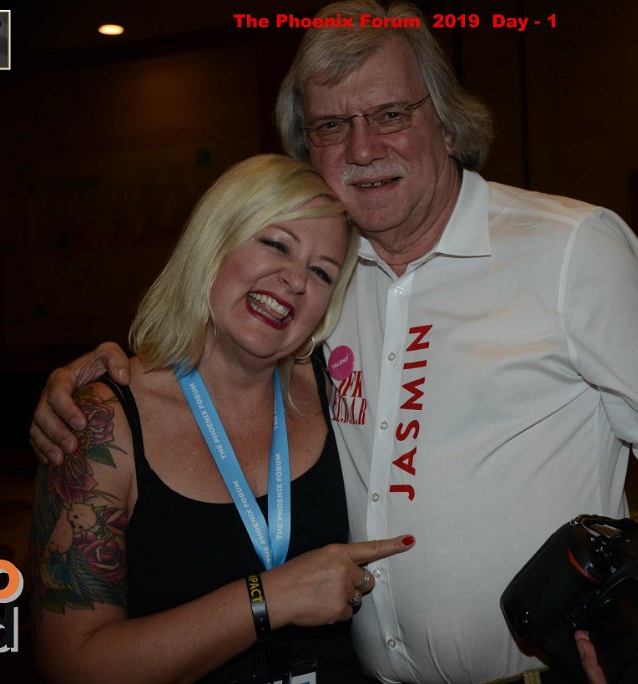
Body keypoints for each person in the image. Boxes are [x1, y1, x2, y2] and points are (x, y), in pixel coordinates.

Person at [30, 3, 638, 682]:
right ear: (306, 149)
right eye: (330, 126)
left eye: (390, 114)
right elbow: (222, 348)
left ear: (445, 121)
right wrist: (101, 380)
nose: (363, 147)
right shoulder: (326, 279)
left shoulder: (572, 248)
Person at [28, 153, 415, 684]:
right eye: (276, 244)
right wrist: (268, 599)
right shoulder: (104, 423)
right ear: (214, 241)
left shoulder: (341, 386)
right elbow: (72, 663)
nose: (295, 280)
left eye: (321, 272)